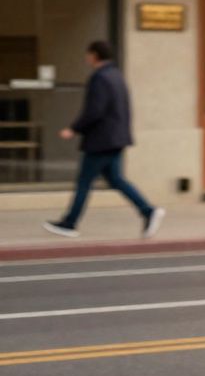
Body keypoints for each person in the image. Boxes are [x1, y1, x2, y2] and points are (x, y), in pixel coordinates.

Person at [43, 41, 164, 239]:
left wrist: (73, 129)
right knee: (116, 179)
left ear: (94, 55)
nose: (86, 59)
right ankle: (148, 211)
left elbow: (95, 110)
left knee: (84, 182)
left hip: (101, 140)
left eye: (88, 55)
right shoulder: (116, 76)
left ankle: (69, 223)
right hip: (115, 138)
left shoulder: (99, 78)